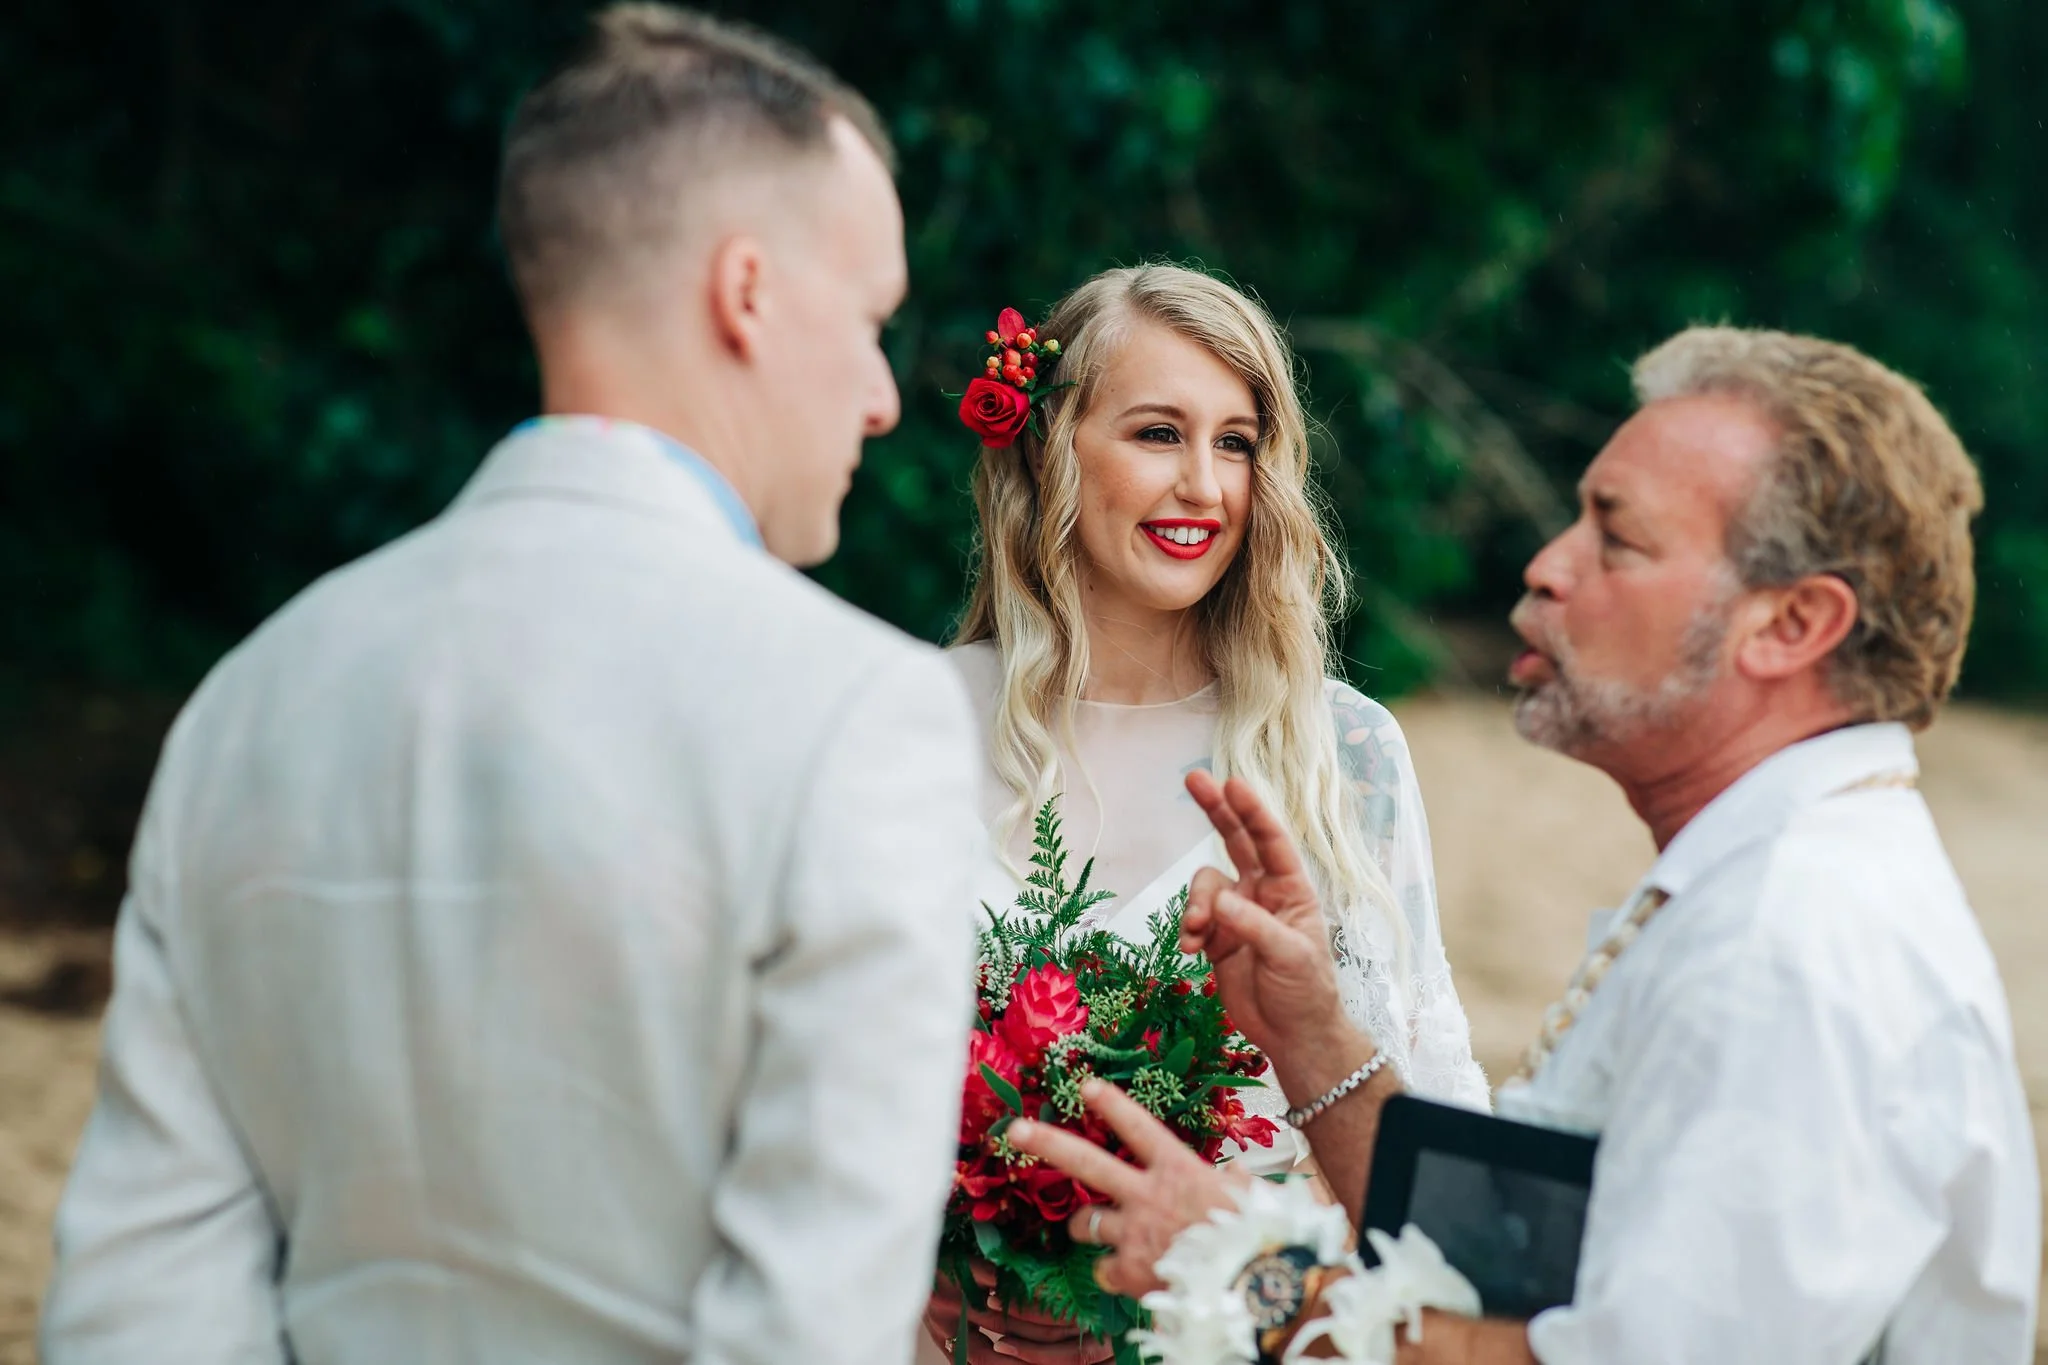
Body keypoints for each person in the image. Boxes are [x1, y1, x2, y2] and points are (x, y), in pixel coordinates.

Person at [41, 9, 983, 1365]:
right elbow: (811, 1329)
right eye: (874, 317)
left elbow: (142, 1304)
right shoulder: (856, 713)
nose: (887, 395)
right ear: (750, 291)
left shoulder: (252, 698)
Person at [1011, 326, 2040, 1363]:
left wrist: (1248, 1278)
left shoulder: (1790, 954)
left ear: (1789, 625)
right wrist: (1312, 1034)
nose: (1546, 567)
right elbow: (1525, 1256)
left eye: (1615, 538)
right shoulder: (1757, 888)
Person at [924, 265, 1488, 1363]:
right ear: (1047, 446)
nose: (1202, 486)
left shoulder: (1340, 753)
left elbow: (1421, 1135)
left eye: (1235, 443)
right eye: (1154, 433)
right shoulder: (908, 725)